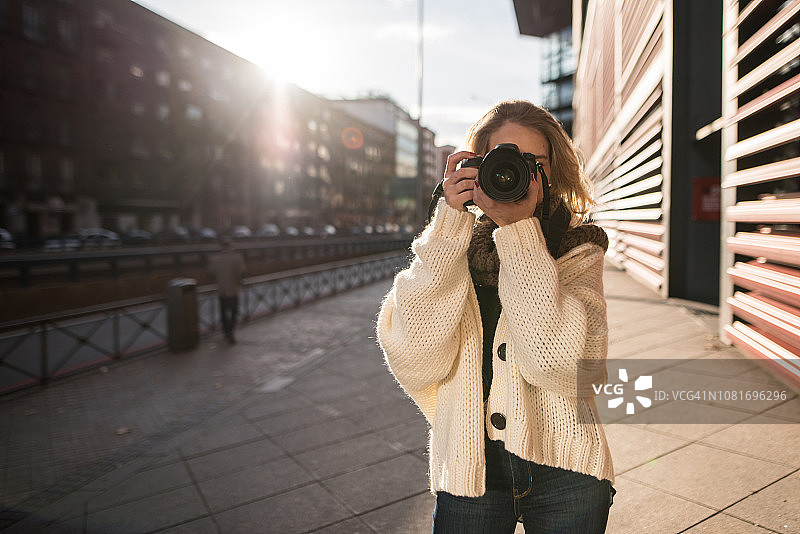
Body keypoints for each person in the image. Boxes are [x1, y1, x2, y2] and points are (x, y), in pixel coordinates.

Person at [376, 100, 615, 533]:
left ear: (552, 172)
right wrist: (448, 224)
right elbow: (414, 356)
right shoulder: (453, 246)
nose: (512, 172)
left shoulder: (578, 248)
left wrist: (519, 232)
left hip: (566, 471)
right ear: (475, 168)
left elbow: (567, 368)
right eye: (500, 160)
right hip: (469, 470)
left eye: (532, 162)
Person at [208, 237, 245, 344]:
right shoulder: (237, 258)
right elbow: (241, 273)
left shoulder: (215, 259)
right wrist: (239, 283)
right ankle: (231, 331)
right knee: (233, 312)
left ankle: (225, 331)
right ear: (231, 246)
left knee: (223, 311)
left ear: (221, 247)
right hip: (233, 290)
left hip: (222, 290)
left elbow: (211, 273)